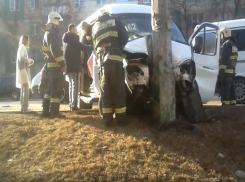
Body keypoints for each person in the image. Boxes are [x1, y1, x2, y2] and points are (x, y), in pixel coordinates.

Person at [92, 12, 129, 127]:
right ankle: (121, 120)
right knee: (118, 90)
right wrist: (119, 48)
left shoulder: (95, 26)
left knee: (106, 90)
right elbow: (125, 36)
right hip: (115, 58)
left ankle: (107, 120)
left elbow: (95, 45)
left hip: (103, 62)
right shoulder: (114, 20)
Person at [41, 12, 67, 119]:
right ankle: (55, 113)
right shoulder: (53, 33)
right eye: (58, 22)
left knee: (50, 89)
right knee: (56, 89)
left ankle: (45, 111)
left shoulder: (47, 33)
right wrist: (62, 64)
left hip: (50, 66)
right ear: (55, 21)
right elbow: (55, 49)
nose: (59, 24)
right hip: (55, 67)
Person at [63, 24, 93, 111]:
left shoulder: (66, 40)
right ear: (72, 30)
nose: (77, 31)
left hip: (69, 65)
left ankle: (71, 103)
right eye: (76, 29)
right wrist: (92, 46)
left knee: (71, 85)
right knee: (75, 85)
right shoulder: (73, 38)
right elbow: (82, 47)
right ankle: (74, 105)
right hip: (75, 65)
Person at [218, 27, 238, 106]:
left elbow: (224, 59)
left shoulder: (226, 44)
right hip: (232, 72)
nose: (221, 37)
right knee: (232, 93)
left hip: (226, 73)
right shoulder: (233, 45)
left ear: (225, 34)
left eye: (221, 34)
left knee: (225, 92)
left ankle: (225, 109)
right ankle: (233, 108)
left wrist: (221, 72)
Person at [16, 35, 34, 113]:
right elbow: (21, 58)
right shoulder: (22, 47)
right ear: (26, 40)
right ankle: (25, 108)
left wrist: (29, 62)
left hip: (22, 69)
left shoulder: (21, 47)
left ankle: (23, 107)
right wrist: (30, 60)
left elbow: (21, 59)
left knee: (23, 89)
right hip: (22, 70)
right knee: (25, 89)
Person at [80, 21, 93, 95]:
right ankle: (86, 87)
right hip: (85, 55)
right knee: (86, 72)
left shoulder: (89, 32)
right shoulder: (83, 33)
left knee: (88, 71)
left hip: (88, 54)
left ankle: (88, 86)